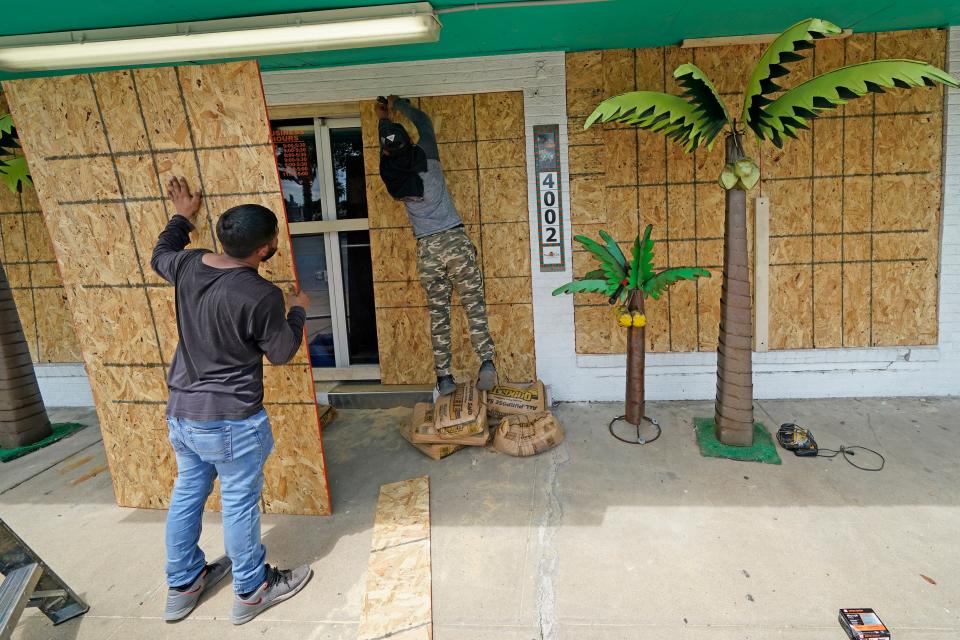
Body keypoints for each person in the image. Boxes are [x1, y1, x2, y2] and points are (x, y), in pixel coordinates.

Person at [152, 177, 313, 625]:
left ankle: (183, 586)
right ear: (264, 250)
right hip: (231, 422)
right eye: (274, 242)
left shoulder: (186, 265)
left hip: (184, 414)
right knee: (239, 504)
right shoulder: (261, 294)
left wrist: (182, 216)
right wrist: (298, 308)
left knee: (187, 495)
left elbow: (159, 254)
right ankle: (252, 590)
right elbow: (280, 353)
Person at [376, 95, 498, 396]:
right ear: (409, 144)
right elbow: (424, 124)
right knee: (473, 305)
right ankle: (486, 363)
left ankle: (444, 378)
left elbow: (387, 148)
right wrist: (399, 108)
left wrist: (381, 118)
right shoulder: (427, 155)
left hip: (427, 249)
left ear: (388, 152)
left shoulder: (391, 177)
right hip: (454, 240)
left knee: (440, 313)